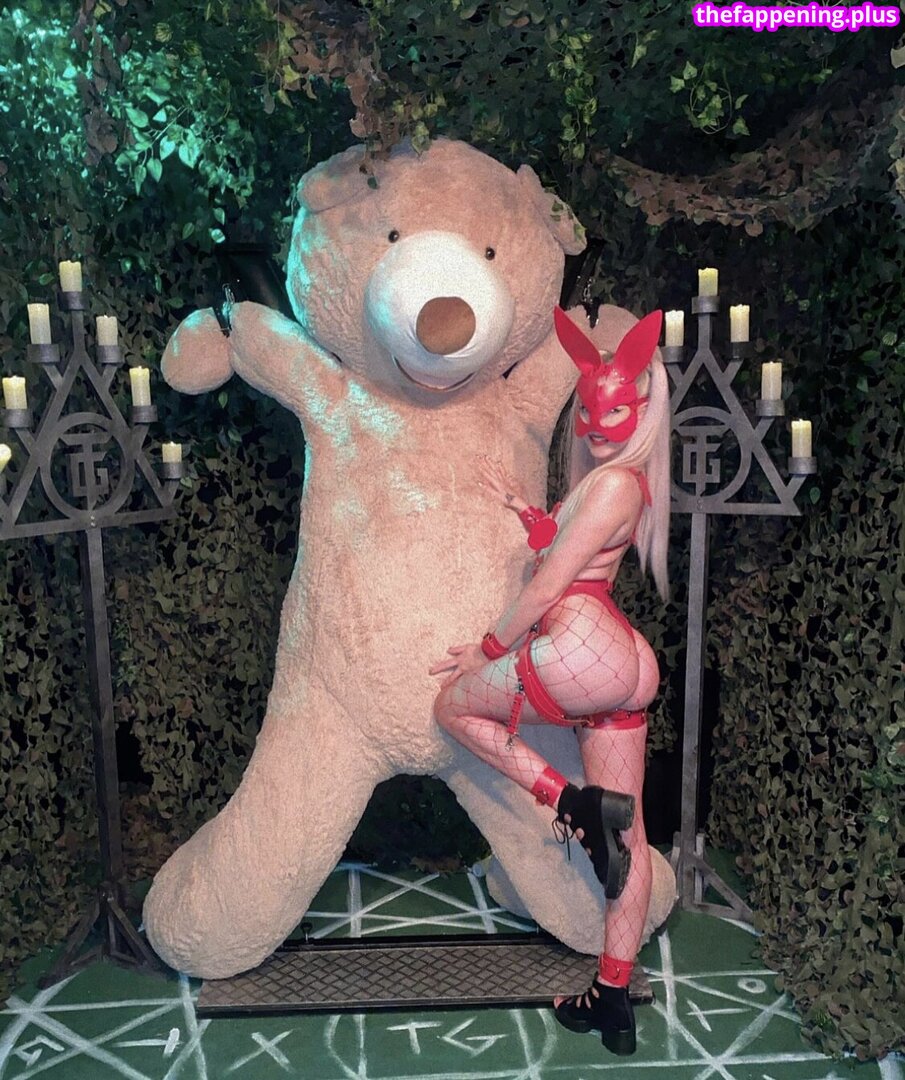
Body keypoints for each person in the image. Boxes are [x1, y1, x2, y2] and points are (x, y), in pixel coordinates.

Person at [430, 305, 671, 1055]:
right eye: (588, 412)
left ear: (642, 408)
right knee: (629, 836)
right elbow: (568, 549)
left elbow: (546, 588)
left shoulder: (613, 484)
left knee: (454, 709)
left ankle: (570, 803)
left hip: (583, 647)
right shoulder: (613, 485)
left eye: (615, 411)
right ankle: (612, 999)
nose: (596, 425)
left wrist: (486, 648)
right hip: (620, 661)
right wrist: (528, 514)